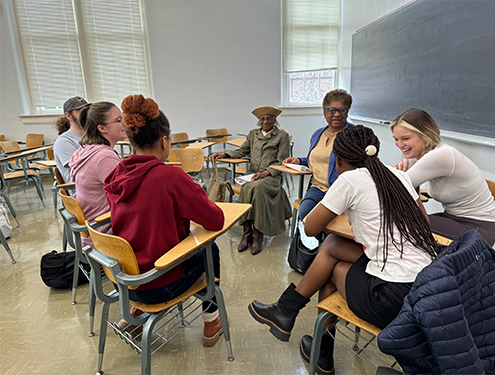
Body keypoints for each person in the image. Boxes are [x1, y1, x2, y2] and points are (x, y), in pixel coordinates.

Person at [249, 125, 439, 375]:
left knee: (328, 267)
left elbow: (310, 228)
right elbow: (424, 225)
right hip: (429, 285)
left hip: (394, 298)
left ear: (337, 160)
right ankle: (288, 314)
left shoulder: (350, 180)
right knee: (333, 245)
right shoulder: (399, 175)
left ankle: (316, 346)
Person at [103, 94, 225, 347]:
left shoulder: (117, 174)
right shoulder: (171, 177)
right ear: (164, 140)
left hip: (127, 282)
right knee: (209, 249)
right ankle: (212, 318)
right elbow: (216, 219)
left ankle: (138, 313)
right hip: (160, 283)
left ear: (131, 140)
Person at [391, 108, 495, 245]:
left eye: (405, 138)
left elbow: (395, 186)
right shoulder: (420, 154)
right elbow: (396, 181)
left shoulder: (440, 156)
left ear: (425, 135)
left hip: (478, 229)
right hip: (453, 218)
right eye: (396, 139)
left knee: (401, 225)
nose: (400, 145)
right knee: (400, 224)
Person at [209, 106, 292, 255]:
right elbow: (242, 151)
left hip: (272, 177)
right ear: (259, 121)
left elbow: (282, 161)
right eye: (262, 119)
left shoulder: (281, 137)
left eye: (268, 118)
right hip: (253, 175)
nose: (265, 121)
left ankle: (257, 233)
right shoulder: (253, 134)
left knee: (257, 188)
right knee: (248, 186)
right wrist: (224, 154)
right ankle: (246, 232)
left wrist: (267, 172)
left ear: (274, 120)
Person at [283, 89, 354, 223]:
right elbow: (318, 159)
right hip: (317, 187)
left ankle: (326, 243)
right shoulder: (318, 134)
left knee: (330, 221)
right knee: (305, 213)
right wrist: (298, 160)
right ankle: (323, 242)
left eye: (342, 110)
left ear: (347, 112)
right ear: (324, 113)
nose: (337, 114)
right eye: (331, 110)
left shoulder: (353, 134)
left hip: (341, 190)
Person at [69, 101, 124, 248]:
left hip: (89, 236)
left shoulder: (86, 149)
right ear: (102, 128)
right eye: (119, 120)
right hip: (103, 238)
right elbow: (126, 197)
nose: (124, 123)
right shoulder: (104, 157)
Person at [53, 96, 90, 185]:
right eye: (81, 111)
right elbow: (82, 170)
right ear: (69, 116)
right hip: (81, 191)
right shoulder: (63, 142)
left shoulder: (90, 136)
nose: (86, 114)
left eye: (87, 110)